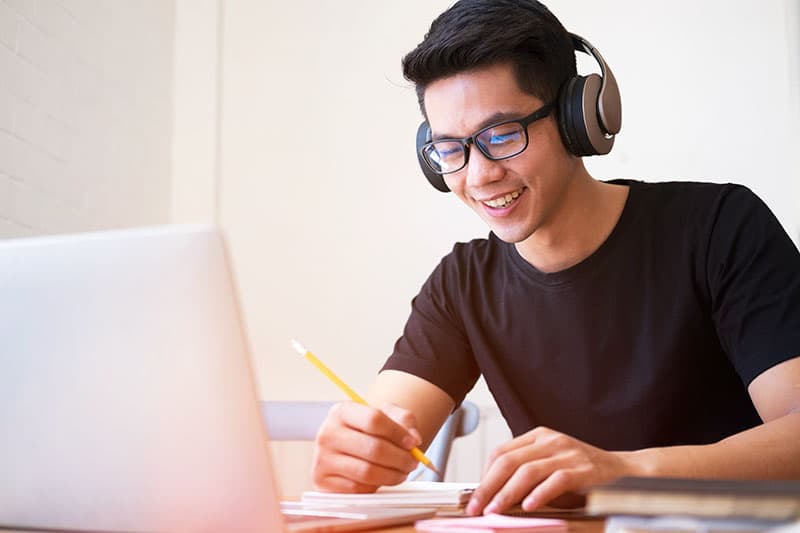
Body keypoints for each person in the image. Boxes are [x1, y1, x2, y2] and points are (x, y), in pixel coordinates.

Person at [311, 0, 800, 515]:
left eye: (501, 135)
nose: (478, 177)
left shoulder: (719, 226)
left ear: (578, 119)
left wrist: (623, 472)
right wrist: (353, 456)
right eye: (450, 149)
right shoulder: (462, 283)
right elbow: (388, 427)